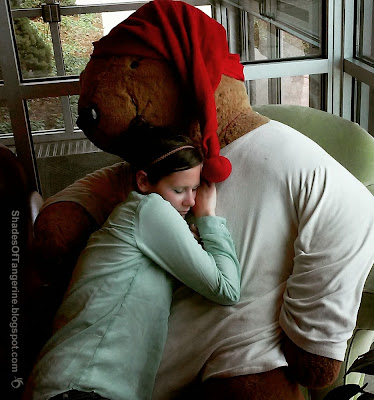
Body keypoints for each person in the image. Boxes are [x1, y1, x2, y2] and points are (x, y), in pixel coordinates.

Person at [23, 127, 241, 400]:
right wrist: (208, 216)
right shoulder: (149, 209)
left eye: (196, 189)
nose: (191, 201)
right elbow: (226, 289)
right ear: (144, 182)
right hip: (80, 384)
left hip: (81, 384)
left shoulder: (141, 221)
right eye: (179, 190)